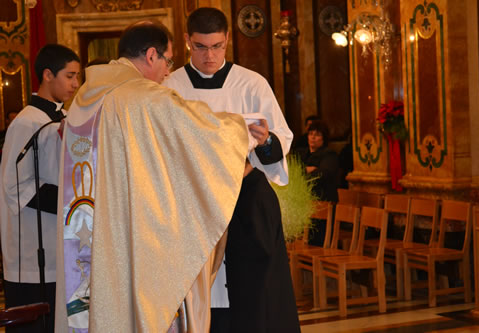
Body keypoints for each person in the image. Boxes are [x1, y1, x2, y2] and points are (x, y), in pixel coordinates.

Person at [54, 20, 249, 333]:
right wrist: (241, 129)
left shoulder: (85, 100)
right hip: (131, 233)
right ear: (150, 55)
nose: (168, 72)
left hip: (89, 231)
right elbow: (199, 132)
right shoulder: (142, 97)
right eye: (168, 61)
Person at [162, 7, 299, 332]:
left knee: (256, 297)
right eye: (200, 47)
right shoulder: (171, 88)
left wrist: (265, 142)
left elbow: (282, 137)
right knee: (202, 297)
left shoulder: (251, 84)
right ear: (186, 41)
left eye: (217, 46)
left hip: (246, 200)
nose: (209, 56)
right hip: (193, 204)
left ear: (227, 41)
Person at [0, 44, 80, 333]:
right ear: (48, 75)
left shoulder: (64, 119)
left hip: (59, 244)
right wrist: (72, 203)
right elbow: (16, 186)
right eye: (70, 76)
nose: (75, 84)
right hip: (32, 252)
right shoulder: (27, 122)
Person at [296, 120, 340, 245]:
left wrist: (304, 171)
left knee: (318, 239)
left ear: (324, 138)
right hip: (304, 202)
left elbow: (322, 175)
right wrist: (307, 169)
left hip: (323, 201)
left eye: (317, 134)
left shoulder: (330, 155)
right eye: (311, 134)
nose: (313, 137)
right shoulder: (301, 153)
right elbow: (292, 170)